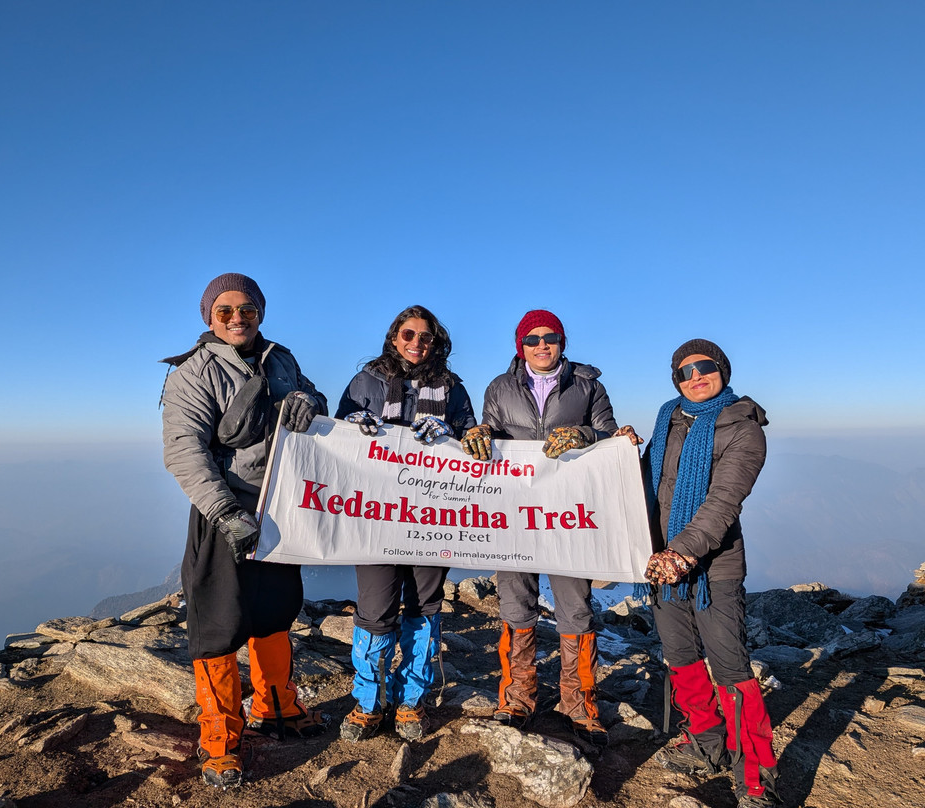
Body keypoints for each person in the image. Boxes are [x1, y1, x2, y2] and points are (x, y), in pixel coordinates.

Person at [160, 272, 329, 789]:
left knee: (275, 607)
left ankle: (276, 706)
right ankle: (220, 738)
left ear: (260, 311)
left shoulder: (279, 357)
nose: (237, 317)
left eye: (247, 307)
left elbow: (311, 399)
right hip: (224, 511)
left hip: (278, 503)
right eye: (225, 310)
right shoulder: (193, 371)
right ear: (209, 316)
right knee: (218, 622)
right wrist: (225, 512)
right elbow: (184, 451)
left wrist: (311, 402)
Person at [461, 309, 635, 746]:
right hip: (514, 513)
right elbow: (492, 437)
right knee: (516, 603)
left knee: (575, 607)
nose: (542, 344)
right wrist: (479, 431)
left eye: (551, 337)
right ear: (520, 346)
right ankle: (518, 698)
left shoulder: (588, 386)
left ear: (562, 342)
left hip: (567, 515)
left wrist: (584, 435)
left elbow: (609, 436)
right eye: (532, 338)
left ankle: (580, 704)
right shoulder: (500, 388)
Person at [642, 339, 779, 807]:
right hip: (661, 564)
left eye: (704, 367)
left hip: (711, 569)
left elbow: (722, 504)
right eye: (683, 372)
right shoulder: (669, 418)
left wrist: (681, 554)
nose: (694, 376)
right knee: (680, 656)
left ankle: (755, 777)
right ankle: (706, 743)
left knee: (731, 669)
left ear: (722, 369)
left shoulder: (744, 426)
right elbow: (642, 484)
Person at [334, 305, 477, 742]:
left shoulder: (452, 389)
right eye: (409, 334)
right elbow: (333, 439)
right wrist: (350, 425)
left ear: (436, 342)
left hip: (432, 517)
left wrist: (452, 436)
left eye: (426, 337)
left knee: (423, 607)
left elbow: (473, 438)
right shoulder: (366, 382)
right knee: (375, 609)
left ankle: (411, 702)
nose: (417, 343)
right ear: (395, 336)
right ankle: (369, 701)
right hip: (376, 516)